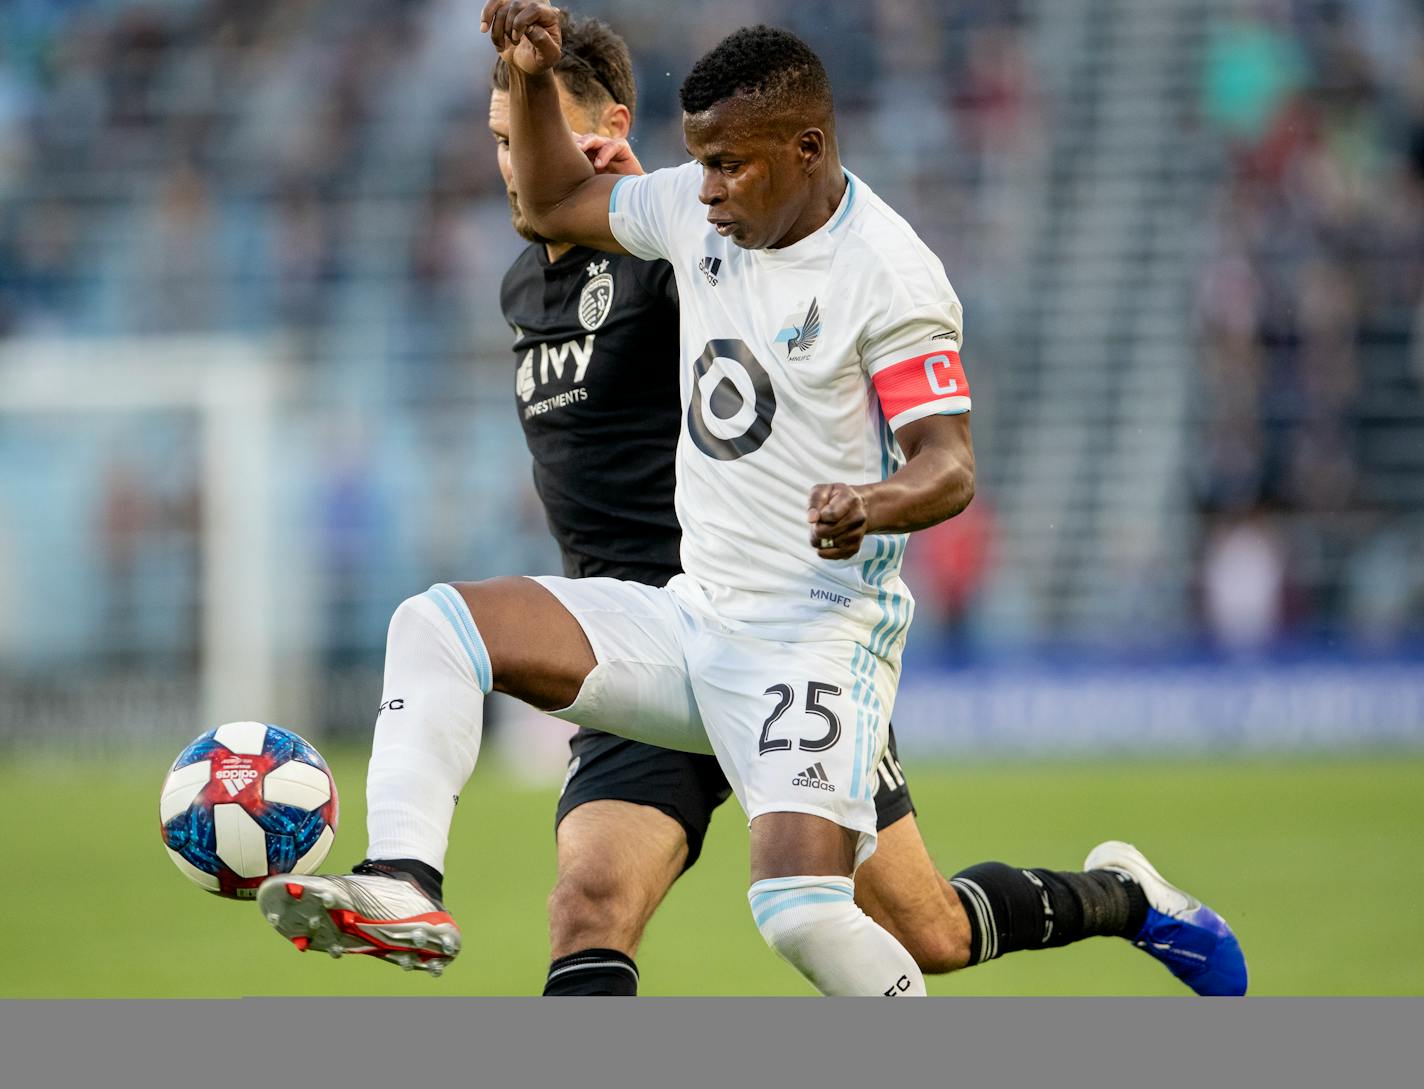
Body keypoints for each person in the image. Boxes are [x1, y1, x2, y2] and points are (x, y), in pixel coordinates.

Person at [257, 6, 1247, 997]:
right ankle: (401, 882)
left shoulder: (887, 272)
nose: (710, 189)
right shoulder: (686, 214)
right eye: (703, 165)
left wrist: (870, 501)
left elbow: (948, 463)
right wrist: (523, 73)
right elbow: (554, 201)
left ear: (805, 148)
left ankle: (1124, 898)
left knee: (839, 919)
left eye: (730, 165)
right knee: (437, 632)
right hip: (688, 618)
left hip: (811, 640)